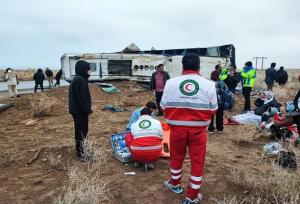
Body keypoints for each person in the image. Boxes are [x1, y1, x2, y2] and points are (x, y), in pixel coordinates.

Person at [161, 53, 217, 204]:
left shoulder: (171, 83)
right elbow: (213, 109)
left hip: (176, 130)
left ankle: (175, 184)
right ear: (199, 66)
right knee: (197, 162)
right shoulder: (209, 84)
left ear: (183, 66)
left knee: (176, 157)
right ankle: (191, 197)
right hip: (199, 132)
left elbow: (163, 107)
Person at [69, 60, 92, 160]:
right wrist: (87, 109)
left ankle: (82, 150)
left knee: (80, 131)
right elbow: (81, 97)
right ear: (83, 70)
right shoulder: (80, 80)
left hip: (77, 110)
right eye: (87, 70)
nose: (89, 72)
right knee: (82, 131)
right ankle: (81, 152)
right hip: (79, 111)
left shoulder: (78, 78)